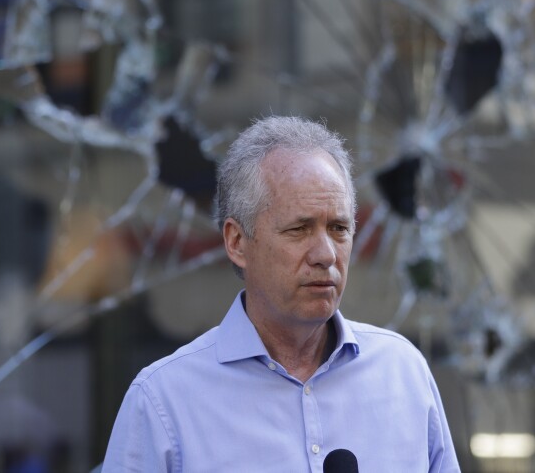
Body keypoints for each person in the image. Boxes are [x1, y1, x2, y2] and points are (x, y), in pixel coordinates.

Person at [102, 116, 460, 472]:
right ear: (237, 242)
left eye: (339, 228)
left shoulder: (403, 374)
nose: (325, 255)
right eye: (299, 229)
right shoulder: (163, 401)